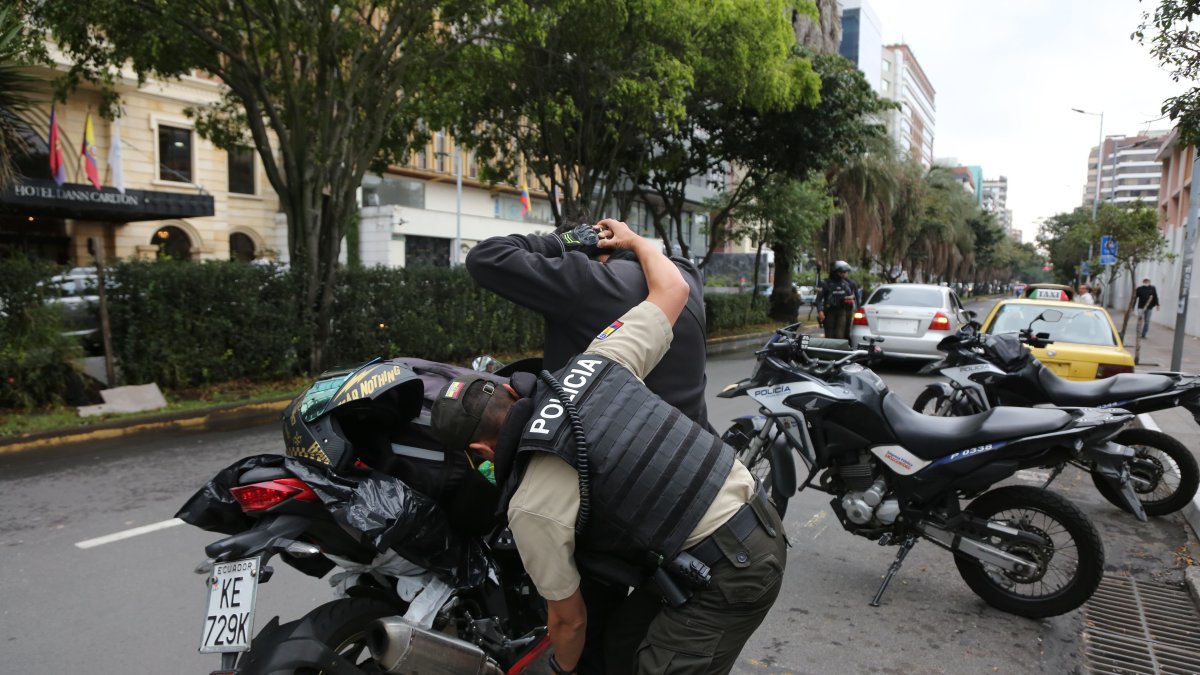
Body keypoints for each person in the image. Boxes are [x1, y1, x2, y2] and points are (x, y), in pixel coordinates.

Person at [431, 219, 785, 675]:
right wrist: (637, 241)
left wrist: (558, 670)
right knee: (620, 648)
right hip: (725, 506)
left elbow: (569, 622)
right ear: (516, 393)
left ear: (481, 450)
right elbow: (672, 290)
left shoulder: (531, 505)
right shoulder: (600, 359)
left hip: (735, 562)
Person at [465, 220, 710, 429]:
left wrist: (560, 242)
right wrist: (634, 239)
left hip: (617, 466)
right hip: (700, 451)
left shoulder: (585, 281)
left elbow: (485, 256)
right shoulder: (687, 274)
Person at [815, 261, 861, 340]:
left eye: (845, 272)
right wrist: (820, 311)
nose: (843, 274)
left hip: (842, 312)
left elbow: (852, 298)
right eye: (841, 272)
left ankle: (839, 351)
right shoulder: (826, 283)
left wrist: (850, 301)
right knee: (830, 337)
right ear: (835, 272)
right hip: (829, 313)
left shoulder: (846, 284)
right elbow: (818, 300)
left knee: (840, 336)